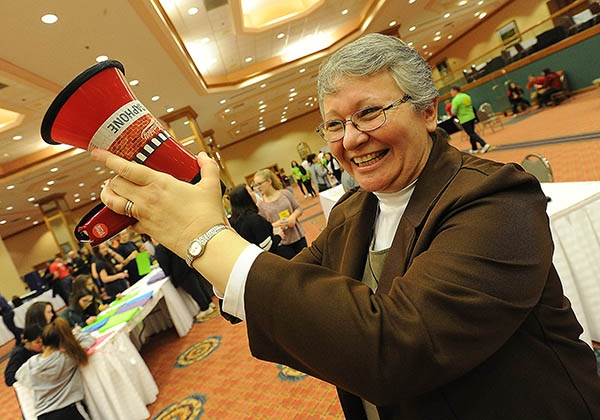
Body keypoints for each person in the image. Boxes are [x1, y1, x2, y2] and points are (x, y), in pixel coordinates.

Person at [93, 33, 600, 419]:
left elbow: (398, 347)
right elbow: (292, 293)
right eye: (334, 124)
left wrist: (202, 237)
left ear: (428, 111)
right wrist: (174, 225)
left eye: (370, 113)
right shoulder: (353, 210)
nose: (351, 139)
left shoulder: (496, 197)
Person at [16, 318, 95, 419]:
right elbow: (89, 340)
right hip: (68, 410)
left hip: (43, 414)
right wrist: (70, 335)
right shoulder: (67, 358)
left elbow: (19, 375)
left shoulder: (31, 363)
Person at [229, 184, 295, 259]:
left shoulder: (233, 221)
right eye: (251, 191)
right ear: (245, 198)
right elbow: (267, 247)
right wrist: (278, 236)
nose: (254, 193)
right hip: (269, 259)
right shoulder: (254, 219)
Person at [154, 242, 216, 321]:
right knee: (199, 286)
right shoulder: (168, 241)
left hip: (180, 272)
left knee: (194, 290)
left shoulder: (159, 248)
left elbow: (165, 265)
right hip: (187, 264)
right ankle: (210, 303)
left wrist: (167, 273)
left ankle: (205, 308)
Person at [253, 169, 308, 257]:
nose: (258, 187)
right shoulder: (260, 205)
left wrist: (293, 217)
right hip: (281, 243)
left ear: (269, 181)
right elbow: (264, 227)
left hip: (298, 236)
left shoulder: (285, 194)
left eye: (259, 184)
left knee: (308, 262)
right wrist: (276, 224)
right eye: (255, 185)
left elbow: (298, 208)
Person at [450, 85, 490, 154]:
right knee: (471, 133)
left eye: (451, 91)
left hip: (464, 119)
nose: (451, 93)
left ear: (455, 91)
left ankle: (484, 144)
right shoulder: (466, 96)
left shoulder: (455, 100)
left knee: (471, 133)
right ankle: (474, 148)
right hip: (471, 116)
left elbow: (453, 112)